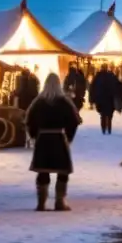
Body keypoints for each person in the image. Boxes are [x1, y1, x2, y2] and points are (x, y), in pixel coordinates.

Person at [26, 73, 82, 212]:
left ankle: (41, 203)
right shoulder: (65, 102)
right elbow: (74, 121)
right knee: (62, 171)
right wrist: (69, 138)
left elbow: (29, 121)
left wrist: (34, 136)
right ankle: (59, 201)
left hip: (43, 140)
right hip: (58, 138)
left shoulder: (38, 102)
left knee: (43, 171)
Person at [89, 65, 122, 134]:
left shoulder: (97, 77)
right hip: (110, 99)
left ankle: (103, 129)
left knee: (103, 115)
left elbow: (92, 88)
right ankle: (109, 129)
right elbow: (119, 85)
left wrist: (92, 100)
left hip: (100, 99)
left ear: (101, 68)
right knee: (110, 115)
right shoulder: (112, 76)